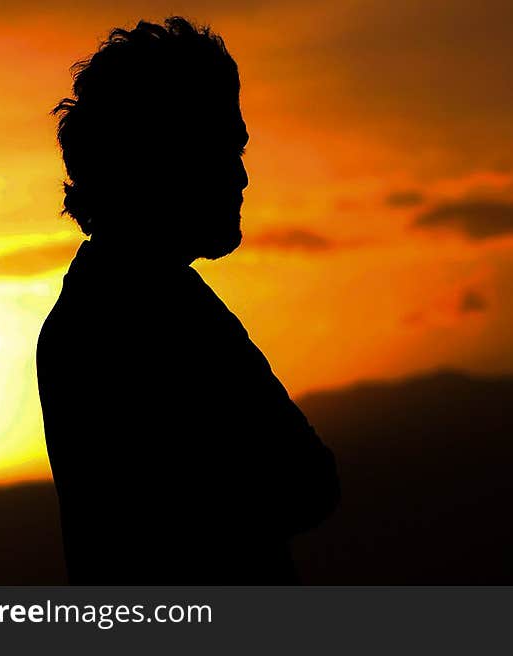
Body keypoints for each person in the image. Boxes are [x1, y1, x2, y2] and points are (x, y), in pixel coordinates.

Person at [36, 17, 340, 584]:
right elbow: (307, 484)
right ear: (162, 159)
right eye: (222, 147)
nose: (242, 176)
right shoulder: (157, 317)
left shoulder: (110, 306)